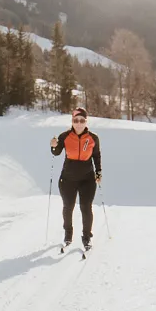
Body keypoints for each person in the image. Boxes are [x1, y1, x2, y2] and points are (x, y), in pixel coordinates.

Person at [50, 107, 102, 252]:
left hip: (87, 179)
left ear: (86, 121)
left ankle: (86, 237)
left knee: (86, 207)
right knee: (68, 207)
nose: (78, 123)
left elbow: (96, 156)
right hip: (68, 179)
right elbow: (56, 151)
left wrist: (98, 172)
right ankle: (68, 235)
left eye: (82, 120)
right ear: (72, 121)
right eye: (75, 120)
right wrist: (53, 146)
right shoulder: (65, 136)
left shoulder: (93, 138)